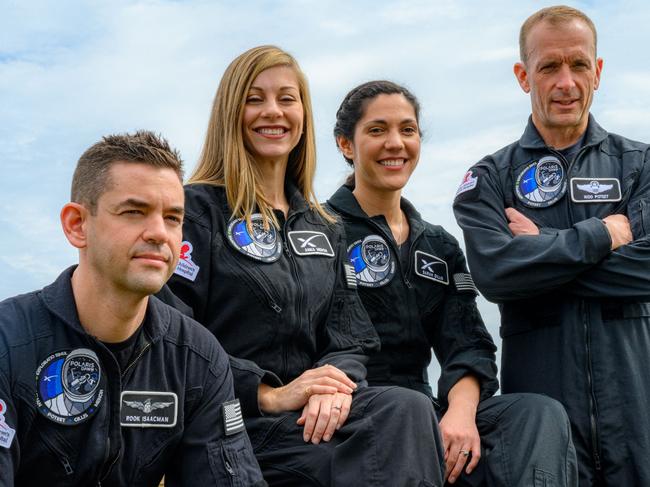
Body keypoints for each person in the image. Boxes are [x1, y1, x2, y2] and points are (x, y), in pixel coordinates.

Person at [165, 46, 444, 486]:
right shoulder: (194, 211)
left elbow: (350, 338)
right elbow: (171, 332)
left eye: (286, 99)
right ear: (229, 113)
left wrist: (331, 389)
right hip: (231, 422)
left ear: (303, 115)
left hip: (311, 422)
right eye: (254, 99)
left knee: (408, 407)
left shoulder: (325, 227)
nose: (272, 112)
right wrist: (268, 393)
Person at [327, 80, 578, 486]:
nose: (396, 143)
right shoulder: (321, 232)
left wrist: (459, 416)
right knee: (406, 411)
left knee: (538, 414)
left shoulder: (438, 245)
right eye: (377, 130)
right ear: (346, 145)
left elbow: (467, 343)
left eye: (407, 130)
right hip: (349, 411)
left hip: (424, 407)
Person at [453, 5, 650, 486]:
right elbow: (497, 274)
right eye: (549, 67)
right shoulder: (490, 179)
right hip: (545, 426)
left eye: (579, 64)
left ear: (597, 71)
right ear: (524, 76)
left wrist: (542, 248)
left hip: (639, 415)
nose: (566, 82)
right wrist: (602, 235)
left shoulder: (640, 166)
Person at [0, 131, 265, 486]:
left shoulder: (198, 358)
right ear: (77, 225)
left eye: (173, 218)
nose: (159, 232)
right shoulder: (7, 342)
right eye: (134, 212)